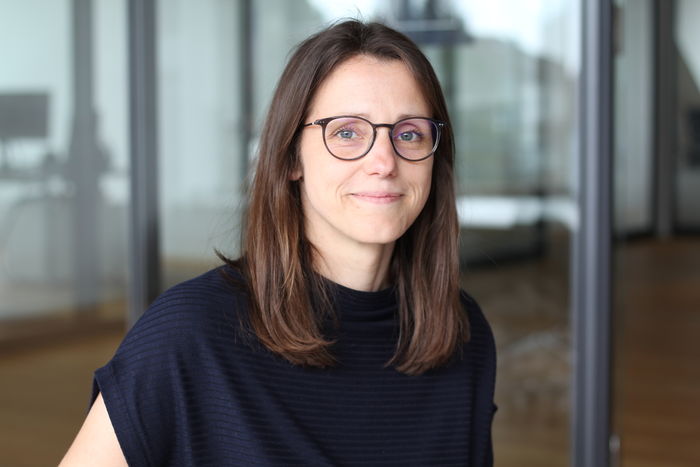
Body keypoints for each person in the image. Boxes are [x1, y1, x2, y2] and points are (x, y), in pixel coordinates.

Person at [61, 19, 496, 466]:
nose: (384, 161)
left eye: (408, 133)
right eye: (347, 132)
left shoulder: (463, 335)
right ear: (291, 157)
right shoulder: (188, 333)